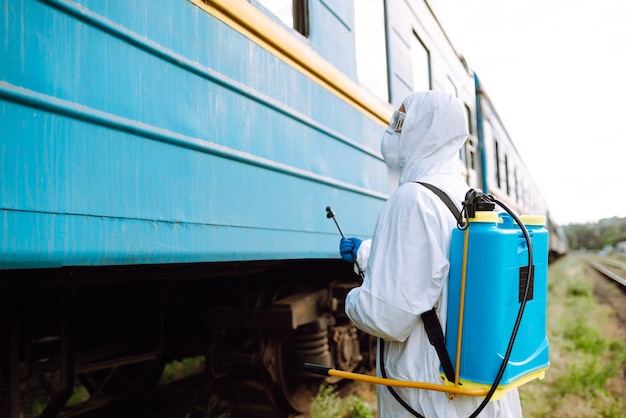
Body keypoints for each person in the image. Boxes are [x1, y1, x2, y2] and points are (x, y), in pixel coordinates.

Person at [340, 91, 523, 417]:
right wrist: (366, 253)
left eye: (400, 122)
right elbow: (443, 271)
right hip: (476, 391)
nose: (391, 132)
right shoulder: (468, 196)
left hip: (430, 394)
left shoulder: (411, 199)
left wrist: (351, 300)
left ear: (425, 129)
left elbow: (387, 315)